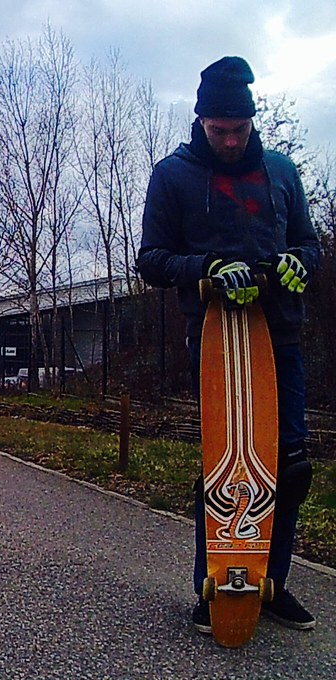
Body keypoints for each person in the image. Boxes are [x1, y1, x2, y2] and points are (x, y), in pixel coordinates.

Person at [137, 56, 320, 634]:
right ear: (201, 121)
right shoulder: (174, 174)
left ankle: (272, 584)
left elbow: (310, 247)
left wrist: (298, 265)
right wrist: (209, 268)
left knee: (288, 465)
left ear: (251, 121)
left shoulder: (282, 172)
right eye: (219, 131)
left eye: (239, 130)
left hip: (277, 332)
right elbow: (151, 260)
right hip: (214, 333)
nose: (230, 141)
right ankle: (213, 585)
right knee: (225, 462)